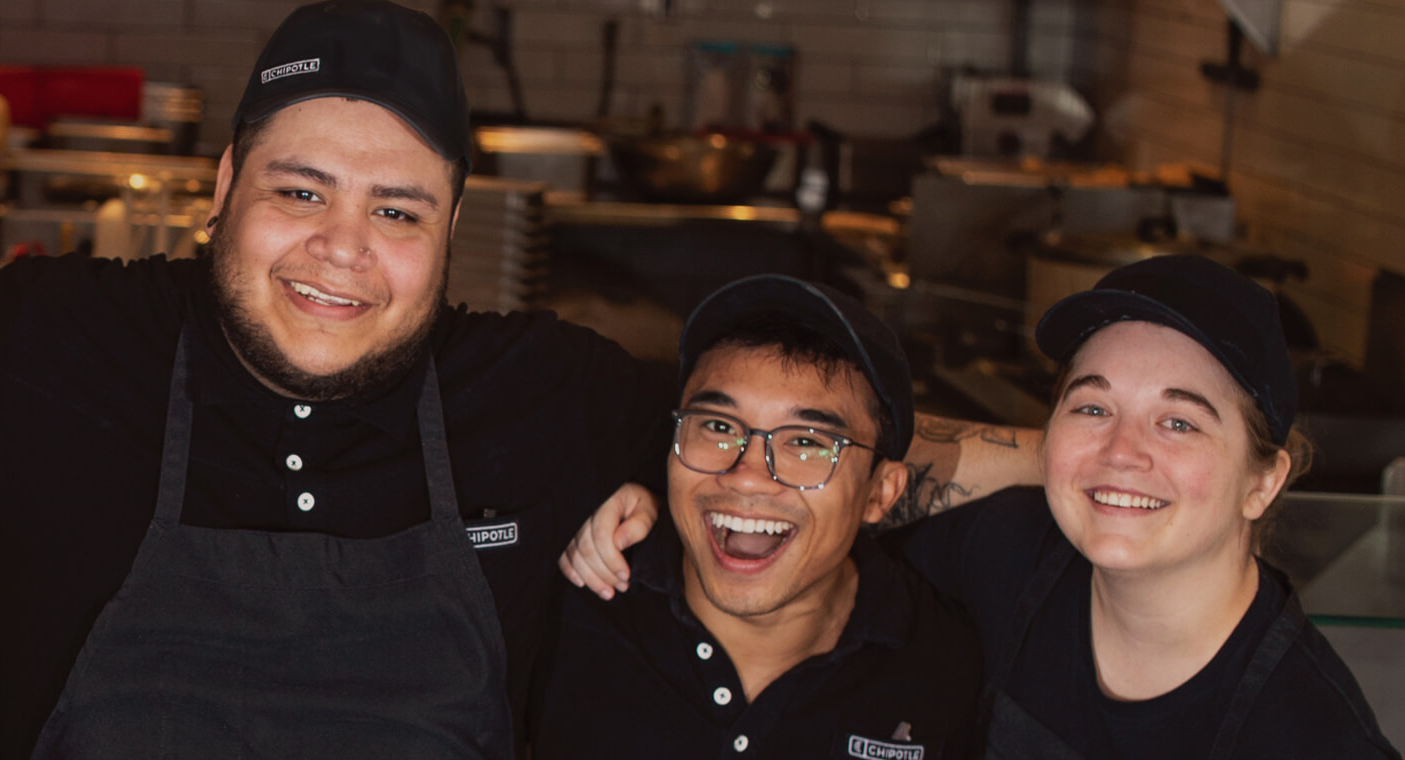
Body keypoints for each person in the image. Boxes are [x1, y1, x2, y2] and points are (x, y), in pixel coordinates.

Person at [0, 1, 1038, 755]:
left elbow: (813, 444)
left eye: (396, 210)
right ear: (222, 180)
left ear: (449, 227)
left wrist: (1089, 455)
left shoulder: (546, 397)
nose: (342, 249)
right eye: (300, 190)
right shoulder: (43, 345)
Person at [564, 255, 1399, 758]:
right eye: (1093, 406)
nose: (1123, 451)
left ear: (1265, 480)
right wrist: (666, 484)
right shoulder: (1004, 555)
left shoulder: (1311, 736)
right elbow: (838, 470)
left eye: (1180, 422)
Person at [528, 276, 986, 758]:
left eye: (807, 442)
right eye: (719, 427)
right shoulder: (567, 608)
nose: (747, 477)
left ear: (880, 493)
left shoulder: (943, 664)